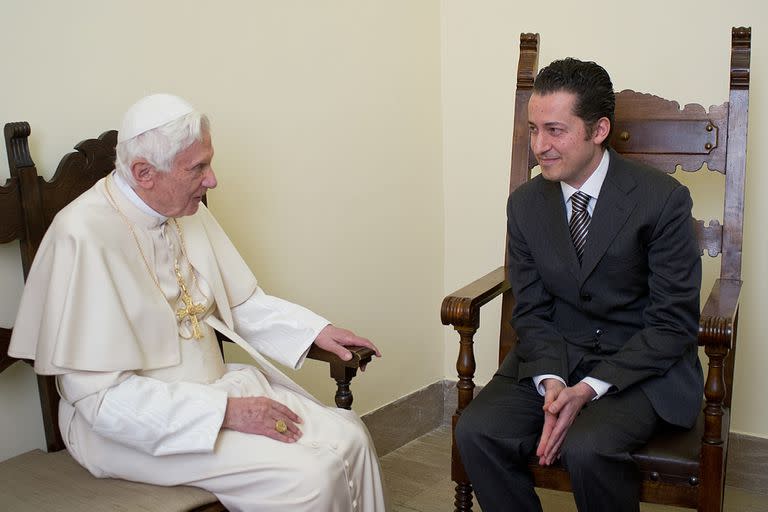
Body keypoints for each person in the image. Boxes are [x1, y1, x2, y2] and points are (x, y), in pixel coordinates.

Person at [9, 93, 386, 512]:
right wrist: (226, 412)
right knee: (311, 476)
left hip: (218, 389)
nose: (212, 181)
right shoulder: (80, 235)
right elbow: (103, 402)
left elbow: (237, 303)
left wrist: (315, 330)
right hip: (127, 427)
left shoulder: (180, 208)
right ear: (144, 172)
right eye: (198, 168)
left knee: (351, 435)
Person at [455, 58, 703, 512]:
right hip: (555, 353)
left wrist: (588, 388)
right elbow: (530, 309)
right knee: (476, 431)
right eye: (533, 130)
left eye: (555, 130)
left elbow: (673, 323)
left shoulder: (662, 200)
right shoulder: (526, 204)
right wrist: (551, 381)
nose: (539, 147)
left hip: (639, 366)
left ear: (599, 130)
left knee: (588, 448)